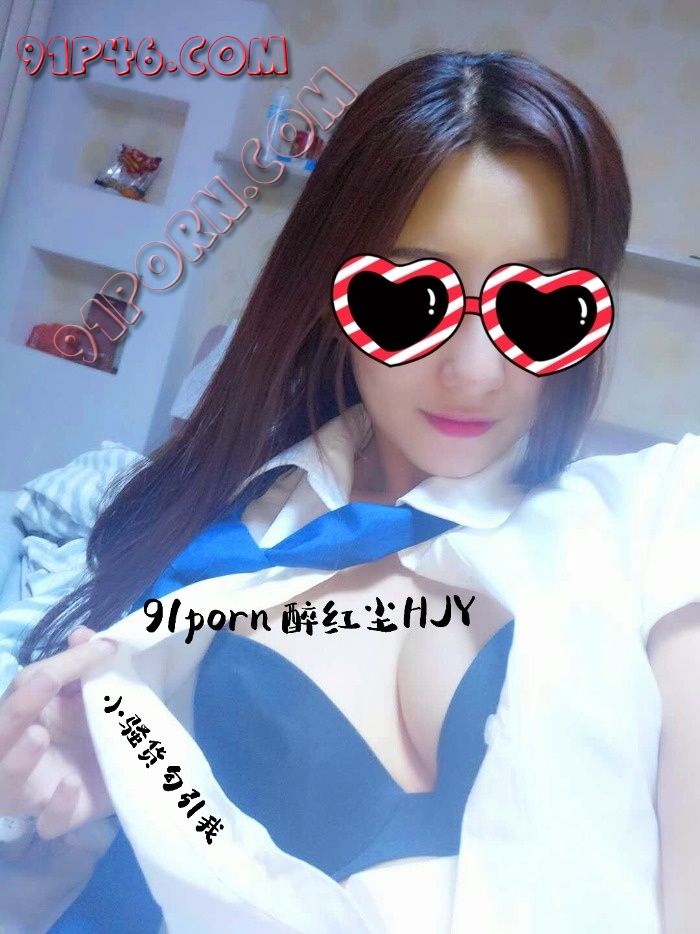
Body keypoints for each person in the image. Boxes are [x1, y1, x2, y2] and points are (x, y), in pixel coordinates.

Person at [0, 48, 698, 933]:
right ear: (332, 295)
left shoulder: (652, 521)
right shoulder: (223, 528)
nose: (475, 373)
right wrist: (65, 796)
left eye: (537, 310)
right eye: (408, 301)